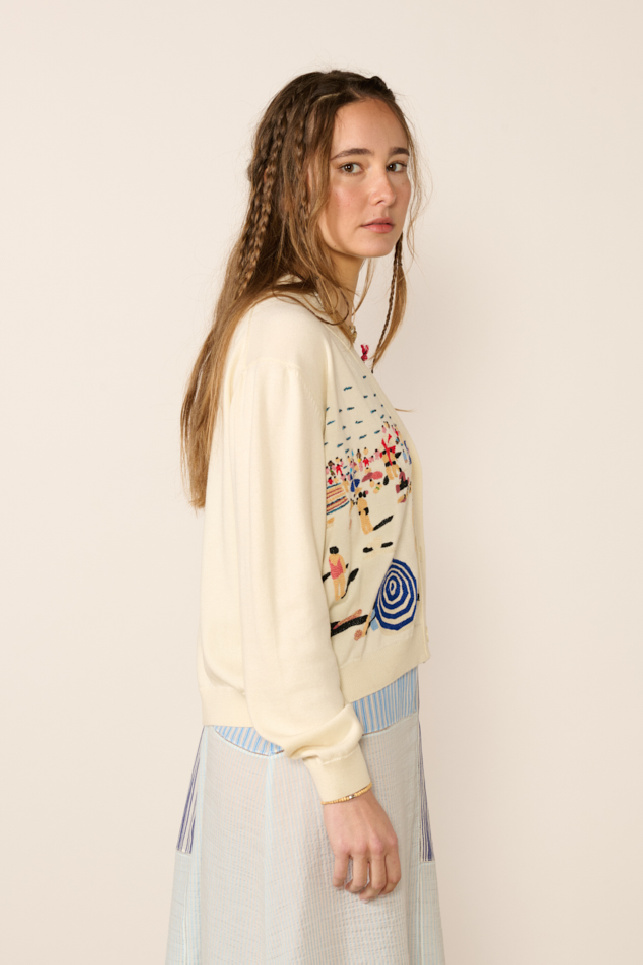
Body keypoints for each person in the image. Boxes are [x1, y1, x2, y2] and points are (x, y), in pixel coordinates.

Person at [165, 69, 446, 964]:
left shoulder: (319, 335)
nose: (383, 190)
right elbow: (278, 582)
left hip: (357, 727)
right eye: (350, 165)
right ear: (294, 181)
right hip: (307, 752)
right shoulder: (281, 341)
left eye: (395, 163)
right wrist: (340, 778)